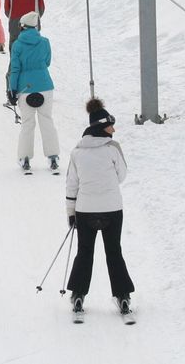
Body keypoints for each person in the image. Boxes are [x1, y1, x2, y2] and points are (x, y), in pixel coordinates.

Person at [64, 99, 134, 320]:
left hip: (85, 211)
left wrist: (71, 213)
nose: (113, 129)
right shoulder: (113, 148)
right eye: (110, 125)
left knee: (85, 252)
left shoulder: (76, 152)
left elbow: (71, 184)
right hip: (112, 209)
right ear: (100, 126)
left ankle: (78, 295)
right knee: (114, 252)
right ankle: (122, 296)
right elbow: (122, 175)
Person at [7, 11, 60, 173]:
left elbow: (15, 69)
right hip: (45, 86)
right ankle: (53, 157)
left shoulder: (17, 45)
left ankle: (25, 158)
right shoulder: (45, 42)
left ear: (22, 26)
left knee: (27, 124)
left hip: (26, 88)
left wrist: (12, 90)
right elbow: (47, 62)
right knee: (47, 121)